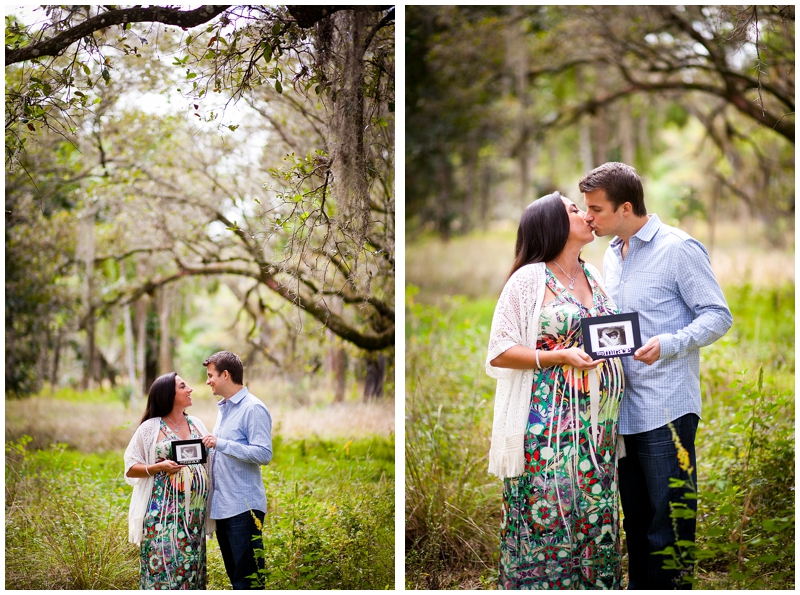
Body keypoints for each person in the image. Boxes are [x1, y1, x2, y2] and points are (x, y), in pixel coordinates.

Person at [580, 162, 732, 589]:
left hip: (667, 408)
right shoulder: (612, 253)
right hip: (624, 412)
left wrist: (669, 343)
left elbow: (718, 316)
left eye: (596, 209)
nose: (588, 217)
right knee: (638, 522)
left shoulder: (678, 248)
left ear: (625, 208)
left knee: (670, 527)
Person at [485, 191, 625, 589]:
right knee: (550, 513)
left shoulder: (593, 275)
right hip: (547, 426)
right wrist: (559, 357)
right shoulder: (530, 279)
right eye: (574, 209)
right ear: (554, 225)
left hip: (597, 429)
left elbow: (607, 337)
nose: (585, 214)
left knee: (595, 516)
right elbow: (499, 351)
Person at [124, 372, 215, 589]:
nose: (190, 389)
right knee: (163, 571)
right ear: (168, 394)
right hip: (162, 518)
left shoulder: (197, 424)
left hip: (194, 517)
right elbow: (130, 467)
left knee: (192, 572)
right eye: (183, 386)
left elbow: (210, 463)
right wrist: (158, 467)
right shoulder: (150, 428)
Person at [200, 351, 273, 590]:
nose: (208, 380)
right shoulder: (225, 409)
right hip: (223, 508)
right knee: (236, 580)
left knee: (249, 582)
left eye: (211, 375)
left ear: (226, 374)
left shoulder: (253, 408)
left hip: (244, 509)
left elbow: (264, 454)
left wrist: (221, 443)